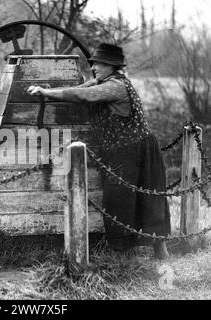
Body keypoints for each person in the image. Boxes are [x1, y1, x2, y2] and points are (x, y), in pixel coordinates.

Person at [26, 43, 170, 260]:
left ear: (112, 66)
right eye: (93, 64)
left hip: (135, 148)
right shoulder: (104, 81)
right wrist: (46, 92)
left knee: (140, 199)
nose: (93, 68)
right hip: (121, 149)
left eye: (99, 64)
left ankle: (151, 252)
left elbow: (84, 96)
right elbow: (83, 90)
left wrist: (46, 92)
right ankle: (126, 254)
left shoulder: (115, 87)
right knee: (123, 199)